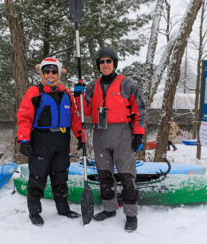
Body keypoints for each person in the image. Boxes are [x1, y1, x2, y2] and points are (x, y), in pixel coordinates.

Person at [74, 46, 146, 232]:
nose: (105, 64)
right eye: (102, 61)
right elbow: (85, 112)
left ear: (114, 63)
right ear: (98, 65)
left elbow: (140, 110)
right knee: (104, 174)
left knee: (126, 175)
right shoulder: (92, 87)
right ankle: (109, 208)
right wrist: (78, 96)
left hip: (123, 133)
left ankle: (131, 213)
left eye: (109, 61)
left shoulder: (127, 84)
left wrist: (138, 133)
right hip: (100, 133)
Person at [16, 57, 86, 226]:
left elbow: (75, 118)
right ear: (41, 73)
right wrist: (24, 139)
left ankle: (63, 208)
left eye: (53, 71)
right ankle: (34, 211)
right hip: (40, 140)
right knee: (38, 177)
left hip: (62, 141)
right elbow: (24, 117)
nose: (50, 75)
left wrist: (81, 137)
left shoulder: (66, 93)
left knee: (60, 176)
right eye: (46, 71)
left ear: (59, 73)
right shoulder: (34, 92)